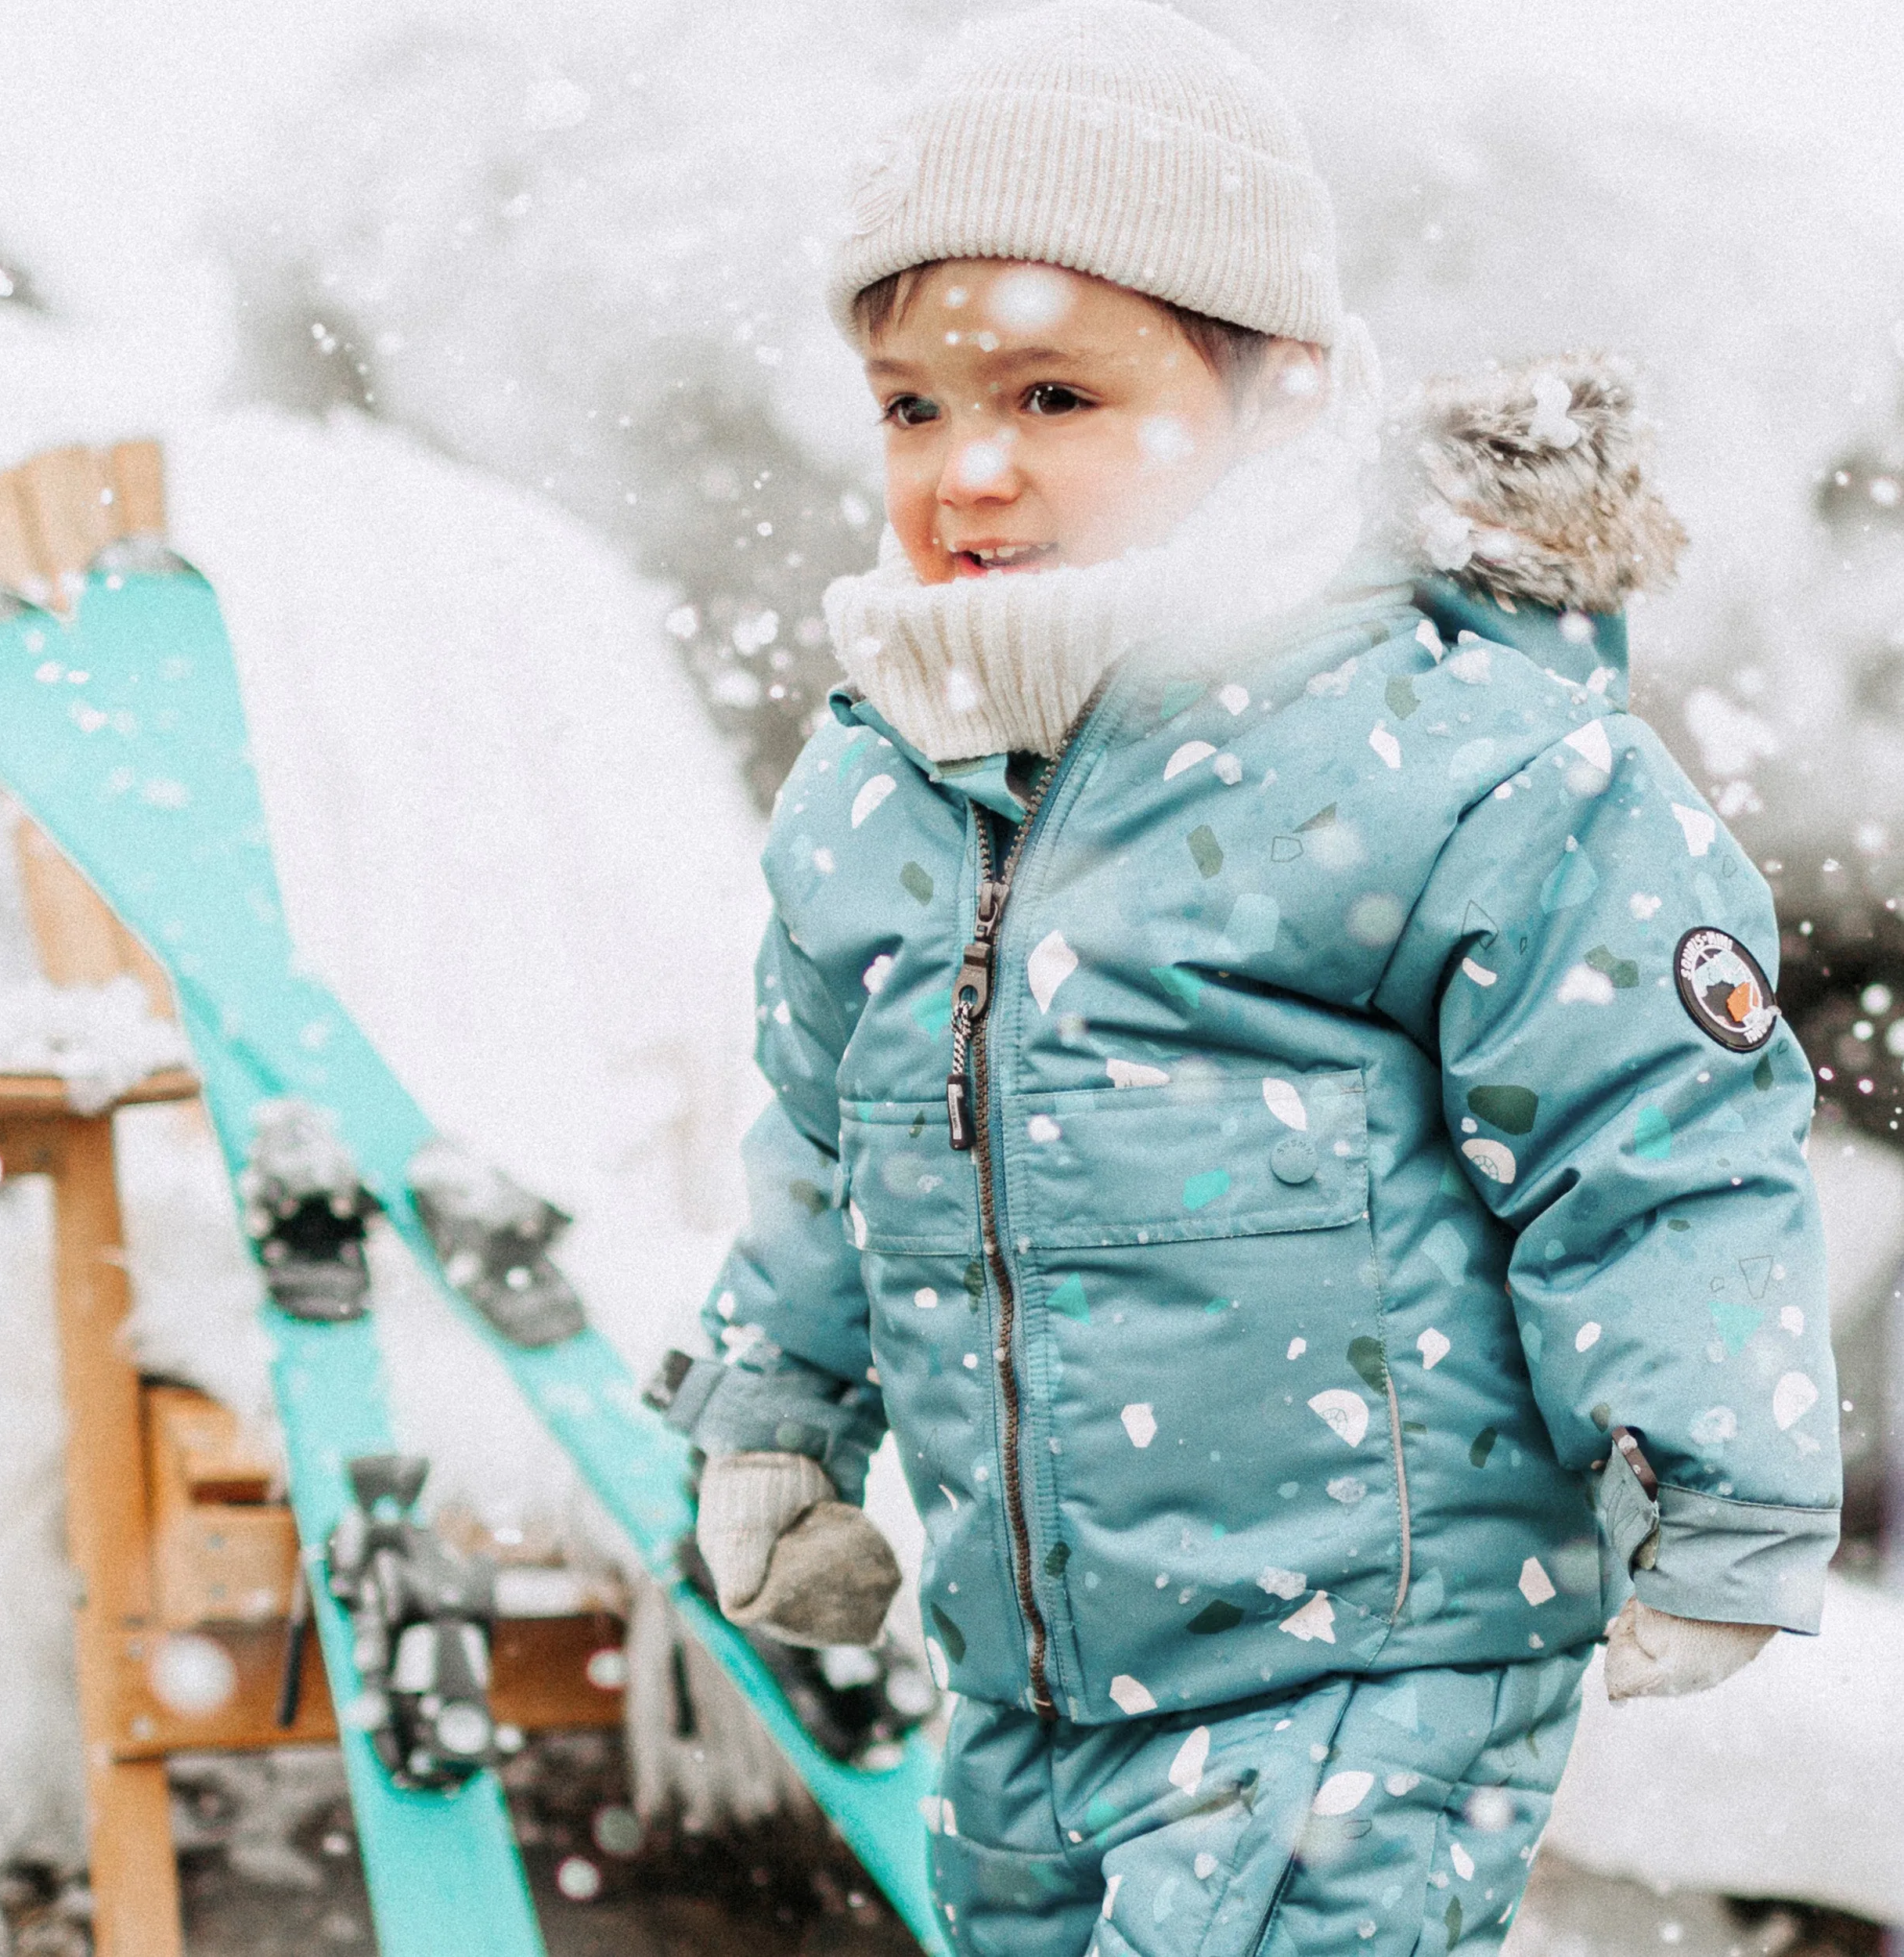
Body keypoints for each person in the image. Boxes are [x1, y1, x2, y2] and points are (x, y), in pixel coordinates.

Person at [654, 5, 1843, 1951]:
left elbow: (1649, 1123)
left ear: (1273, 401)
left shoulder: (1443, 754)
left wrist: (1715, 1473)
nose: (966, 473)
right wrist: (776, 1414)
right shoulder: (883, 776)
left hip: (1367, 1660)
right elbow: (825, 1136)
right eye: (908, 406)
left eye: (1051, 399)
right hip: (1026, 1664)